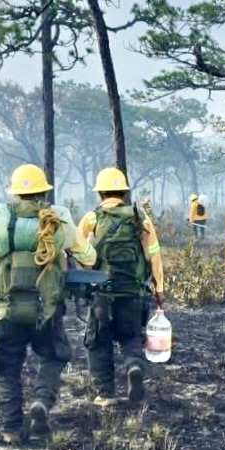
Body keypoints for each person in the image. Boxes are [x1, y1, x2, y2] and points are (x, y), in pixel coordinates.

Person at [0, 164, 96, 443]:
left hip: (7, 310)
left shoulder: (1, 224)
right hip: (47, 310)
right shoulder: (56, 222)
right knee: (54, 355)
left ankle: (11, 429)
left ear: (16, 194)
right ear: (43, 192)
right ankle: (41, 401)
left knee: (5, 365)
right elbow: (89, 258)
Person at [76, 167, 167, 406]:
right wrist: (159, 289)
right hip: (133, 292)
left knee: (98, 342)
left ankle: (105, 393)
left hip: (102, 294)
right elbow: (154, 254)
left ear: (101, 193)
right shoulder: (140, 218)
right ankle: (134, 366)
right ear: (124, 192)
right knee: (131, 338)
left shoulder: (92, 218)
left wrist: (84, 277)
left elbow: (76, 250)